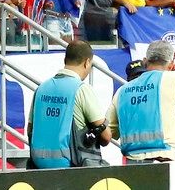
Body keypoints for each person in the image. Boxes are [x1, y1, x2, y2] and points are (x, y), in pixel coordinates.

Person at [112, 37, 175, 163]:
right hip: (166, 158)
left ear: (145, 61)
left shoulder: (121, 91)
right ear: (171, 66)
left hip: (132, 161)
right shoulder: (174, 79)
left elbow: (111, 132)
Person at [28, 39, 112, 168]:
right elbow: (106, 137)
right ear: (87, 62)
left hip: (38, 164)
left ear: (65, 60)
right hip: (70, 167)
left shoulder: (41, 88)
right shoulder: (81, 89)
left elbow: (30, 129)